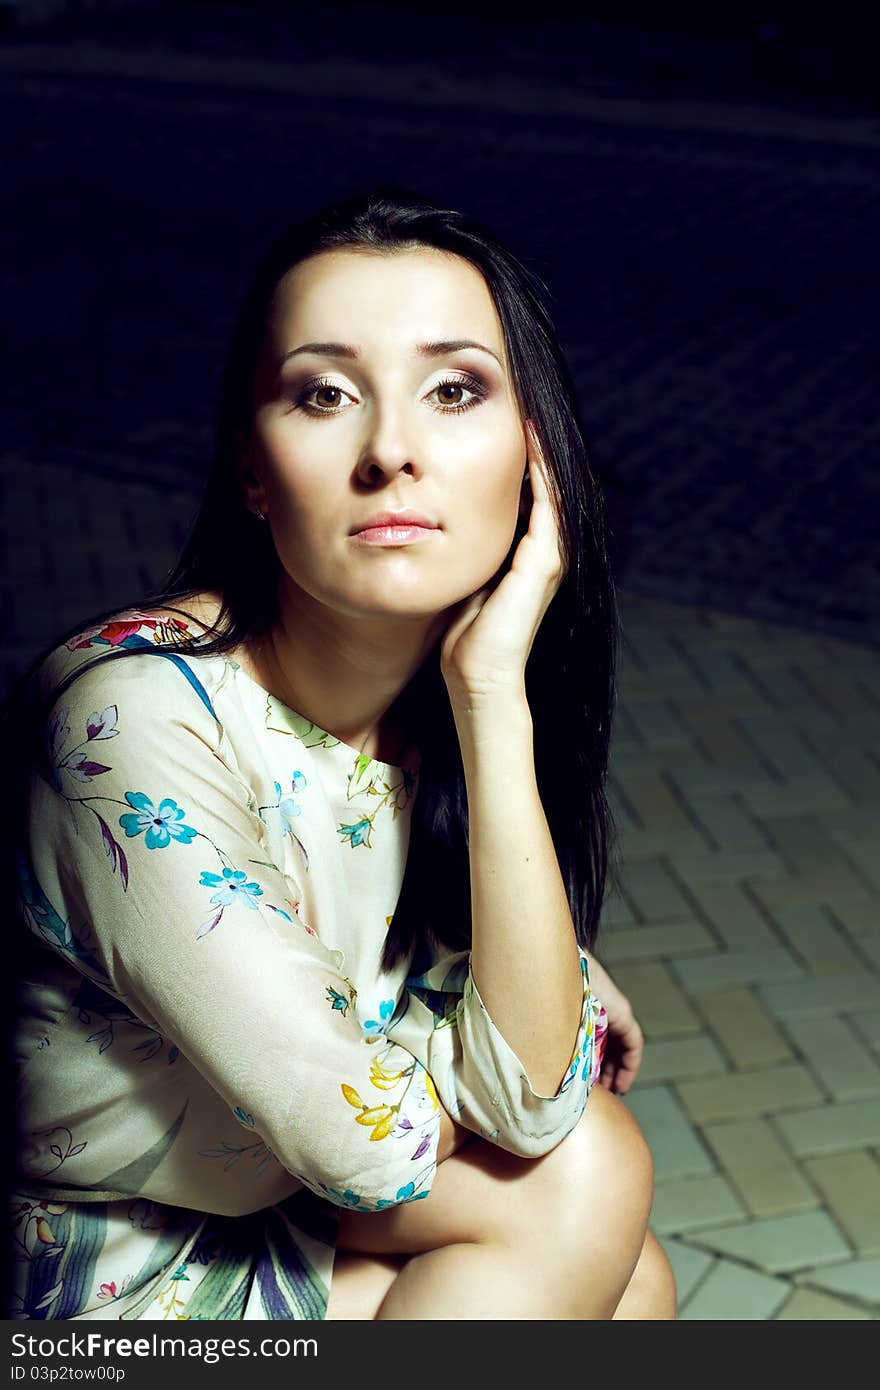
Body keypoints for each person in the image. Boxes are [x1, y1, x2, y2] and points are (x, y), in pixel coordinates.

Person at [6, 186, 675, 1321]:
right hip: (85, 1299)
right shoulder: (128, 724)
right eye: (323, 394)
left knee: (627, 1274)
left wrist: (489, 695)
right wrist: (489, 999)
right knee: (582, 1188)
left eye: (453, 389)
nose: (393, 452)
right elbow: (382, 1142)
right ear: (254, 471)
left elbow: (514, 1099)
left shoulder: (435, 705)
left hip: (250, 1224)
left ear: (534, 459)